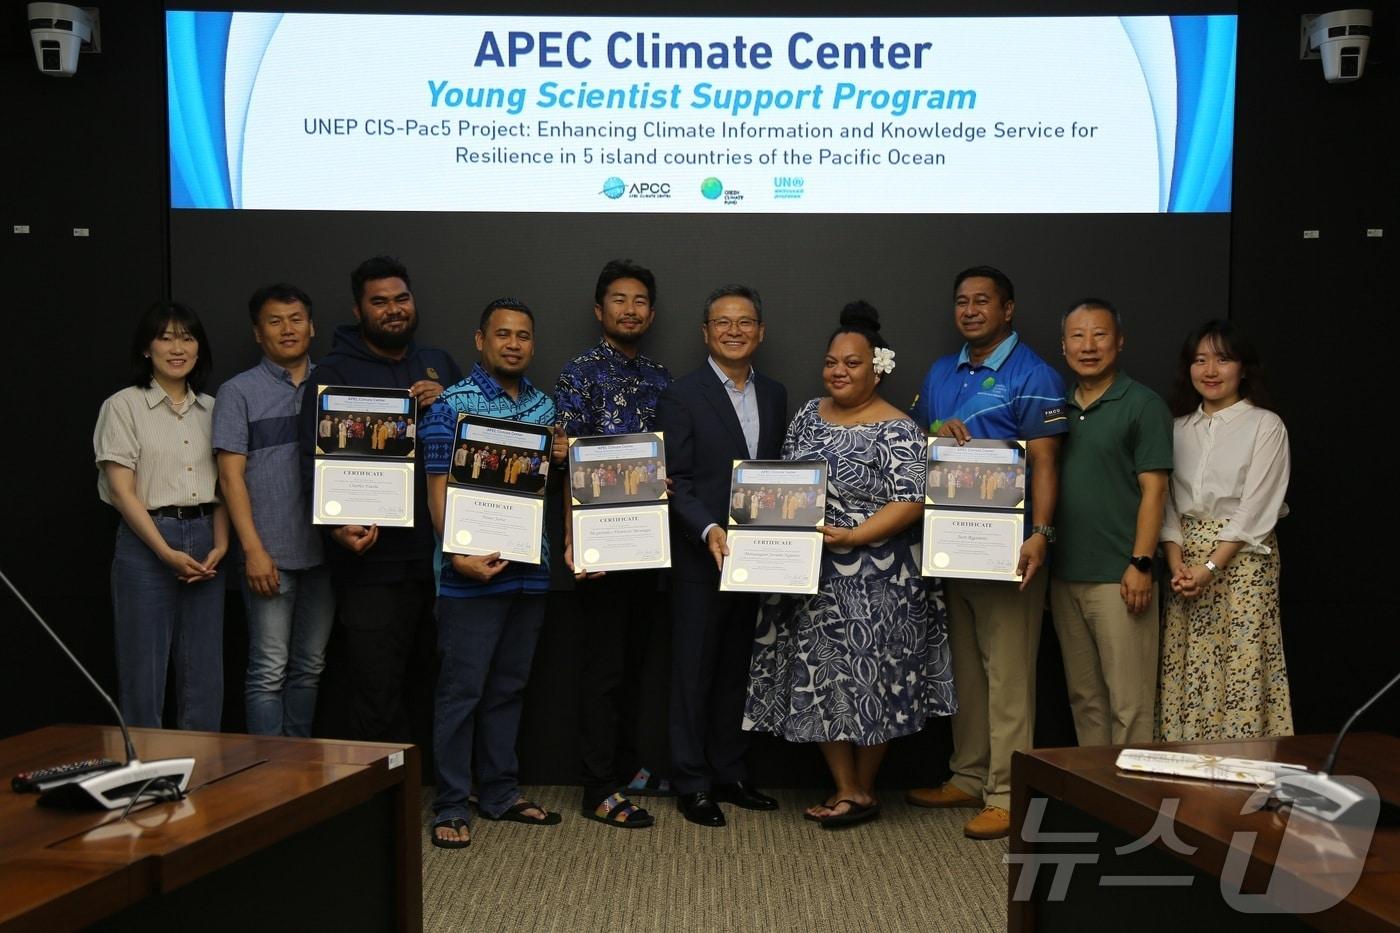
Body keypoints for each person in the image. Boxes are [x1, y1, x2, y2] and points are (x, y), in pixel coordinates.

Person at [745, 302, 956, 828]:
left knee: (877, 680)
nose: (839, 371)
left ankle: (861, 787)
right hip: (813, 575)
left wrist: (856, 535)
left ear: (876, 367)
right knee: (824, 680)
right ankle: (849, 788)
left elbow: (912, 499)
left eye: (853, 363)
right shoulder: (806, 417)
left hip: (883, 579)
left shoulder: (901, 429)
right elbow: (784, 485)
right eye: (831, 362)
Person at [905, 266, 1067, 841]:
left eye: (983, 301)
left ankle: (1006, 792)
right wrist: (935, 436)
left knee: (1010, 675)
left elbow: (1046, 462)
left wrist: (1041, 534)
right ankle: (969, 776)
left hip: (1009, 550)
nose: (971, 310)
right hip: (953, 547)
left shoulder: (1034, 374)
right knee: (968, 673)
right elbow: (923, 452)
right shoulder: (940, 372)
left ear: (1009, 308)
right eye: (962, 302)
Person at [298, 255, 462, 744]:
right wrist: (334, 526)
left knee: (434, 684)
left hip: (438, 561)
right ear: (359, 309)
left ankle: (428, 793)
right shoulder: (332, 372)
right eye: (380, 302)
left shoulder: (439, 363)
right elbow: (311, 460)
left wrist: (451, 396)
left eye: (401, 298)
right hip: (371, 562)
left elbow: (477, 442)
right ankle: (383, 810)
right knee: (376, 690)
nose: (394, 310)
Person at [421, 298, 563, 849]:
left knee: (509, 689)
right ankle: (453, 802)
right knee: (462, 693)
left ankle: (500, 793)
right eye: (502, 334)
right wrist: (455, 554)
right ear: (480, 340)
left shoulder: (544, 408)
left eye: (523, 336)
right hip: (468, 573)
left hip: (529, 570)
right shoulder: (449, 406)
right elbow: (437, 487)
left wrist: (565, 458)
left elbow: (545, 491)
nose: (513, 344)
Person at [656, 284, 786, 827]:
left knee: (738, 667)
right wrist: (707, 528)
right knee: (693, 672)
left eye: (746, 322)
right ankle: (691, 781)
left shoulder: (776, 394)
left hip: (758, 558)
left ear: (761, 331)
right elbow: (676, 481)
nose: (735, 331)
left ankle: (729, 773)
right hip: (700, 555)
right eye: (723, 323)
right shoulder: (681, 395)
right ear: (705, 332)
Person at [554, 260, 674, 828]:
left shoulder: (661, 377)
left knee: (636, 664)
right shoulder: (578, 373)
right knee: (601, 670)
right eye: (619, 300)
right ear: (599, 310)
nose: (631, 309)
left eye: (640, 300)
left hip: (651, 543)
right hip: (600, 546)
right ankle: (596, 785)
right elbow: (567, 461)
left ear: (652, 311)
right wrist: (575, 542)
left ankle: (627, 768)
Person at [1157, 320, 1293, 740]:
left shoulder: (1265, 425)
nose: (1210, 370)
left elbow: (1256, 506)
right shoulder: (1176, 427)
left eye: (1223, 358)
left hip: (1245, 561)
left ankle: (1243, 771)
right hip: (1185, 564)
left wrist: (1211, 568)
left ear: (1244, 368)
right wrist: (1180, 565)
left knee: (1242, 665)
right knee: (1189, 663)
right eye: (1200, 359)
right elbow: (1167, 502)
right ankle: (1186, 767)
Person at [94, 301, 227, 730]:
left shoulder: (213, 407)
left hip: (207, 540)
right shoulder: (123, 406)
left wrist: (222, 544)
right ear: (146, 349)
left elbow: (224, 487)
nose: (177, 347)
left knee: (205, 674)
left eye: (187, 337)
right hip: (146, 542)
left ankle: (203, 782)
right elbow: (121, 490)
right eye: (165, 337)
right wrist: (165, 552)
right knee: (143, 671)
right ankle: (145, 784)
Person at [1051, 299, 1173, 747]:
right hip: (1064, 576)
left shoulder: (1143, 405)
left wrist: (1141, 563)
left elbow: (1155, 491)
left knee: (1130, 703)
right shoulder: (1053, 407)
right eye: (1077, 336)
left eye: (1099, 334)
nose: (1088, 345)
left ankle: (1131, 809)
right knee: (1085, 699)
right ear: (1063, 345)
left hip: (1122, 578)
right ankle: (1096, 797)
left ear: (1119, 342)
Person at [214, 284, 333, 737]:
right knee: (268, 670)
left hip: (324, 553)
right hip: (269, 555)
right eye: (275, 321)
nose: (288, 329)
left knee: (310, 667)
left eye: (296, 318)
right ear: (258, 332)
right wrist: (253, 551)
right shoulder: (237, 392)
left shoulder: (332, 386)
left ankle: (298, 772)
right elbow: (229, 478)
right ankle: (267, 775)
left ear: (312, 326)